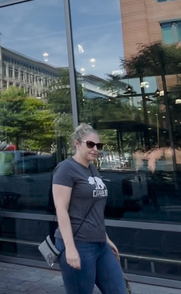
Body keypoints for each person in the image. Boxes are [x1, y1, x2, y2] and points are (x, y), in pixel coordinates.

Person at [53, 123, 126, 294]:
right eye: (90, 144)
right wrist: (70, 248)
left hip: (99, 243)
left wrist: (106, 238)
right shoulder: (66, 169)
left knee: (118, 290)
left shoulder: (92, 170)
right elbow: (61, 209)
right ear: (77, 144)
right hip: (78, 244)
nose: (95, 149)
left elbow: (94, 210)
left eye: (98, 146)